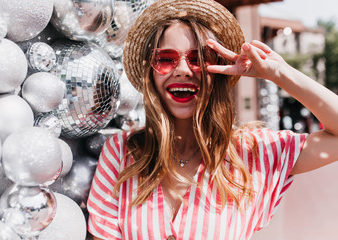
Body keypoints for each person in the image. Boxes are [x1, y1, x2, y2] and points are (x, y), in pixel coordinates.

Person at [87, 0, 338, 239]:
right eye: (166, 59)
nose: (183, 70)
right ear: (150, 73)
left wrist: (279, 74)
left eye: (199, 59)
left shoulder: (252, 152)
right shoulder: (121, 153)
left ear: (216, 72)